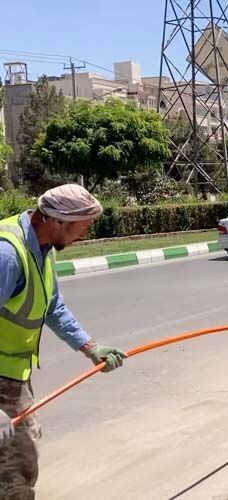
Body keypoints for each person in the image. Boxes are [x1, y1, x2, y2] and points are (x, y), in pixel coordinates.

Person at [0, 184, 127, 500]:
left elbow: (52, 305)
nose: (83, 237)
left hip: (15, 376)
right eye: (81, 230)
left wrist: (89, 347)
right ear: (57, 221)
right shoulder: (8, 256)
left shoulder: (41, 246)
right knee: (15, 471)